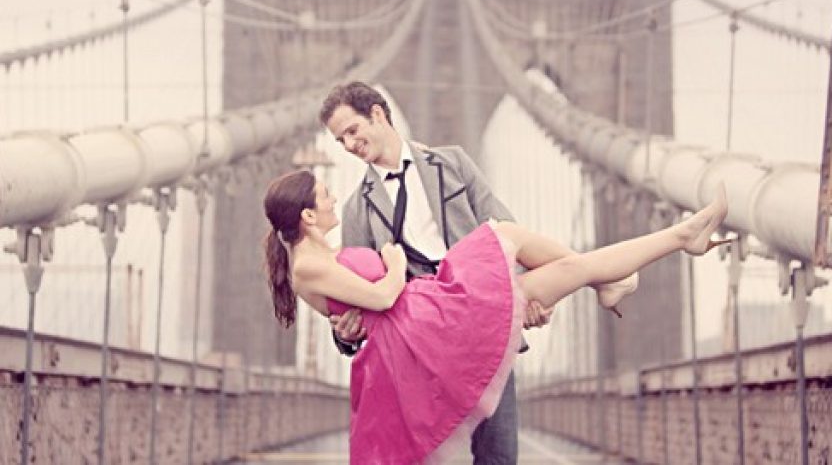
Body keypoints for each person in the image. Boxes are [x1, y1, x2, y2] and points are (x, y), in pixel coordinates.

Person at [262, 169, 728, 464]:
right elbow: (383, 298)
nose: (331, 200)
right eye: (323, 196)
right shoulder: (308, 265)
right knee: (510, 240)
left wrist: (367, 299)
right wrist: (396, 262)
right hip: (428, 327)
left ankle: (675, 240)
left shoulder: (323, 256)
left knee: (545, 256)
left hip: (432, 316)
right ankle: (655, 252)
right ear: (306, 215)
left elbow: (363, 308)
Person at [319, 81, 552, 463]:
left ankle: (612, 274)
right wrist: (344, 334)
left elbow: (507, 231)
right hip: (417, 347)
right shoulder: (356, 210)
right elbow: (352, 290)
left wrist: (529, 297)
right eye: (340, 140)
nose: (348, 145)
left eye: (352, 131)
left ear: (377, 114)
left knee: (499, 457)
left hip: (483, 326)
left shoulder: (454, 164)